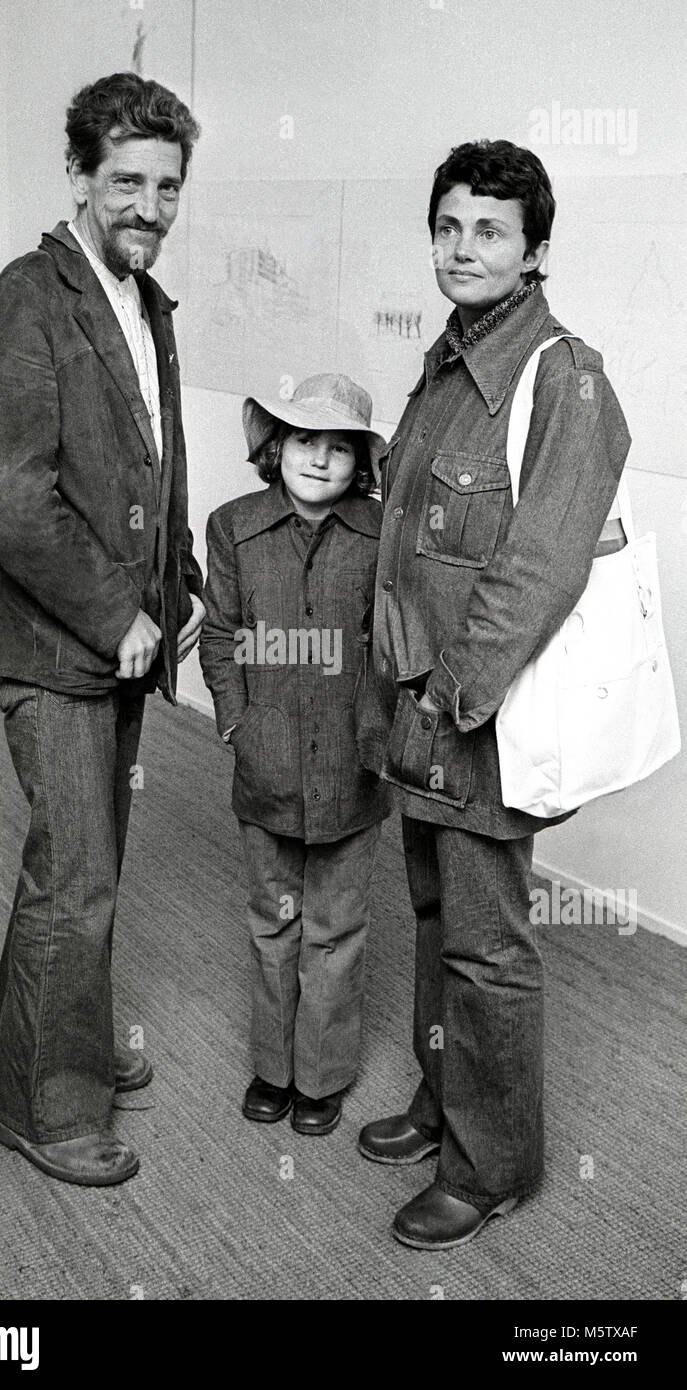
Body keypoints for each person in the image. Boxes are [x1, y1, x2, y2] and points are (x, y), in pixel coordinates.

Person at [356, 140, 631, 1247]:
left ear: (536, 252)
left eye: (488, 231)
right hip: (416, 702)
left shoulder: (563, 373)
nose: (461, 248)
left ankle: (492, 1165)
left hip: (475, 712)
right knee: (432, 920)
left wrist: (452, 695)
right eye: (448, 226)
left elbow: (539, 566)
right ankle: (442, 1101)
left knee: (486, 941)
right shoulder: (448, 358)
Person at [0, 72, 205, 1186]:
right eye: (125, 182)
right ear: (76, 177)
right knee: (78, 874)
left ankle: (44, 1041)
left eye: (165, 186)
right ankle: (45, 1107)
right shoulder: (24, 299)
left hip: (120, 641)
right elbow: (11, 496)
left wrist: (182, 580)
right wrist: (118, 613)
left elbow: (156, 459)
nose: (147, 206)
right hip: (54, 646)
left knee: (81, 861)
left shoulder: (144, 302)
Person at [199, 375, 391, 1136]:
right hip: (267, 763)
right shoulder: (232, 526)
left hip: (353, 764)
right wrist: (234, 724)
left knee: (335, 929)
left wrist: (379, 738)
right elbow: (220, 635)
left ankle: (320, 1077)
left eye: (339, 449)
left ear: (360, 466)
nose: (319, 461)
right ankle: (272, 1069)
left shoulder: (380, 535)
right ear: (274, 446)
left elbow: (397, 644)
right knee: (273, 920)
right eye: (305, 441)